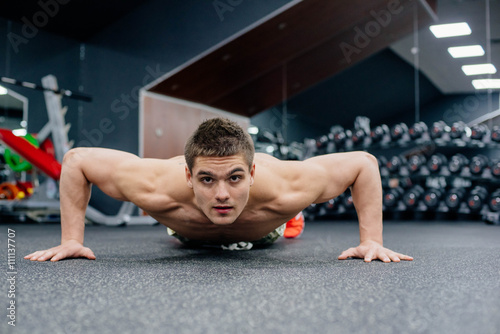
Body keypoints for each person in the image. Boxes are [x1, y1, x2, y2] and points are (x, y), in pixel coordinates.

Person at [25, 117, 413, 263]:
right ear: (189, 176)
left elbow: (364, 163)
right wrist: (71, 239)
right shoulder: (154, 184)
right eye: (208, 180)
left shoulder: (290, 185)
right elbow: (76, 160)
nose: (222, 194)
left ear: (253, 172)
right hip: (186, 229)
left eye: (235, 178)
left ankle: (289, 221)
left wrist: (371, 241)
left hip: (268, 227)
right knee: (180, 229)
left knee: (290, 221)